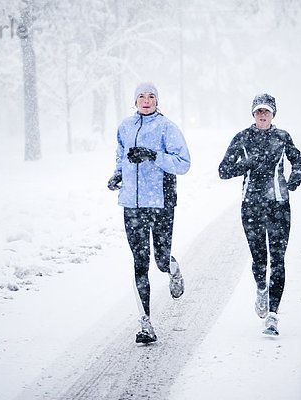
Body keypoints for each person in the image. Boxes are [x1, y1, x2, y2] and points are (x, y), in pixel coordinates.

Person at [107, 82, 191, 344]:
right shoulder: (125, 126)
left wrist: (154, 155)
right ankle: (146, 324)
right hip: (132, 205)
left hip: (161, 202)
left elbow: (184, 163)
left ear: (157, 101)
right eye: (141, 97)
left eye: (151, 96)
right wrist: (118, 175)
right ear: (134, 101)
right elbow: (121, 156)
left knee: (160, 259)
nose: (146, 100)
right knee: (140, 263)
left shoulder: (167, 127)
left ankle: (172, 269)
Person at [218, 93, 301, 335]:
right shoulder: (243, 138)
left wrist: (295, 176)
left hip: (278, 205)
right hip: (252, 206)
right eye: (258, 111)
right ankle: (261, 290)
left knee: (278, 260)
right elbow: (223, 170)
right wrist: (245, 164)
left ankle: (273, 315)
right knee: (260, 260)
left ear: (273, 114)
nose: (263, 115)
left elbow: (297, 162)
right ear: (253, 114)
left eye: (267, 111)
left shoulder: (282, 137)